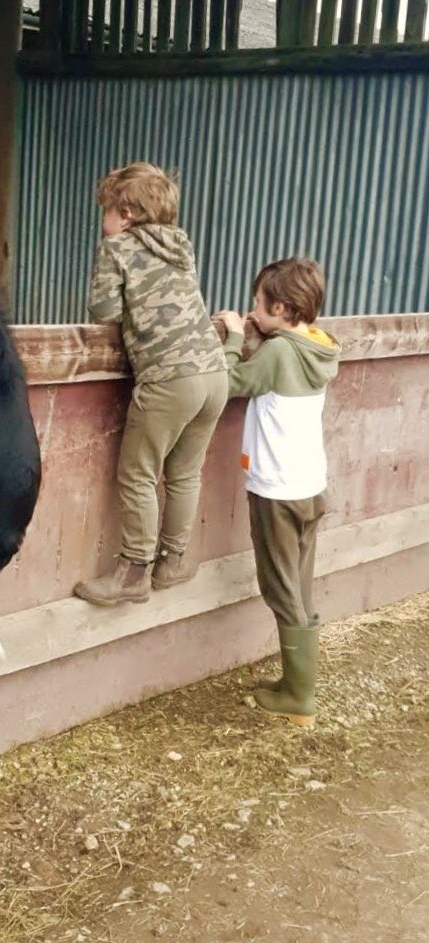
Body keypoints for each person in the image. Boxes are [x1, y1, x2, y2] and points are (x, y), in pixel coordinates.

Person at [74, 162, 227, 606]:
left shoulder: (117, 246)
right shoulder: (181, 244)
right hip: (214, 373)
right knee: (184, 474)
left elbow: (103, 310)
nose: (102, 220)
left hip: (170, 377)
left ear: (125, 213)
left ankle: (132, 572)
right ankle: (173, 563)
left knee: (137, 474)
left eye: (105, 210)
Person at [217, 258, 340, 726]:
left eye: (259, 303)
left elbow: (230, 383)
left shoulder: (277, 354)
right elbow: (275, 361)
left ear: (283, 308)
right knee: (300, 585)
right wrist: (261, 332)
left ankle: (300, 699)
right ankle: (295, 684)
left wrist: (232, 337)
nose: (251, 309)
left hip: (277, 489)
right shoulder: (318, 346)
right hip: (311, 485)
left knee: (279, 585)